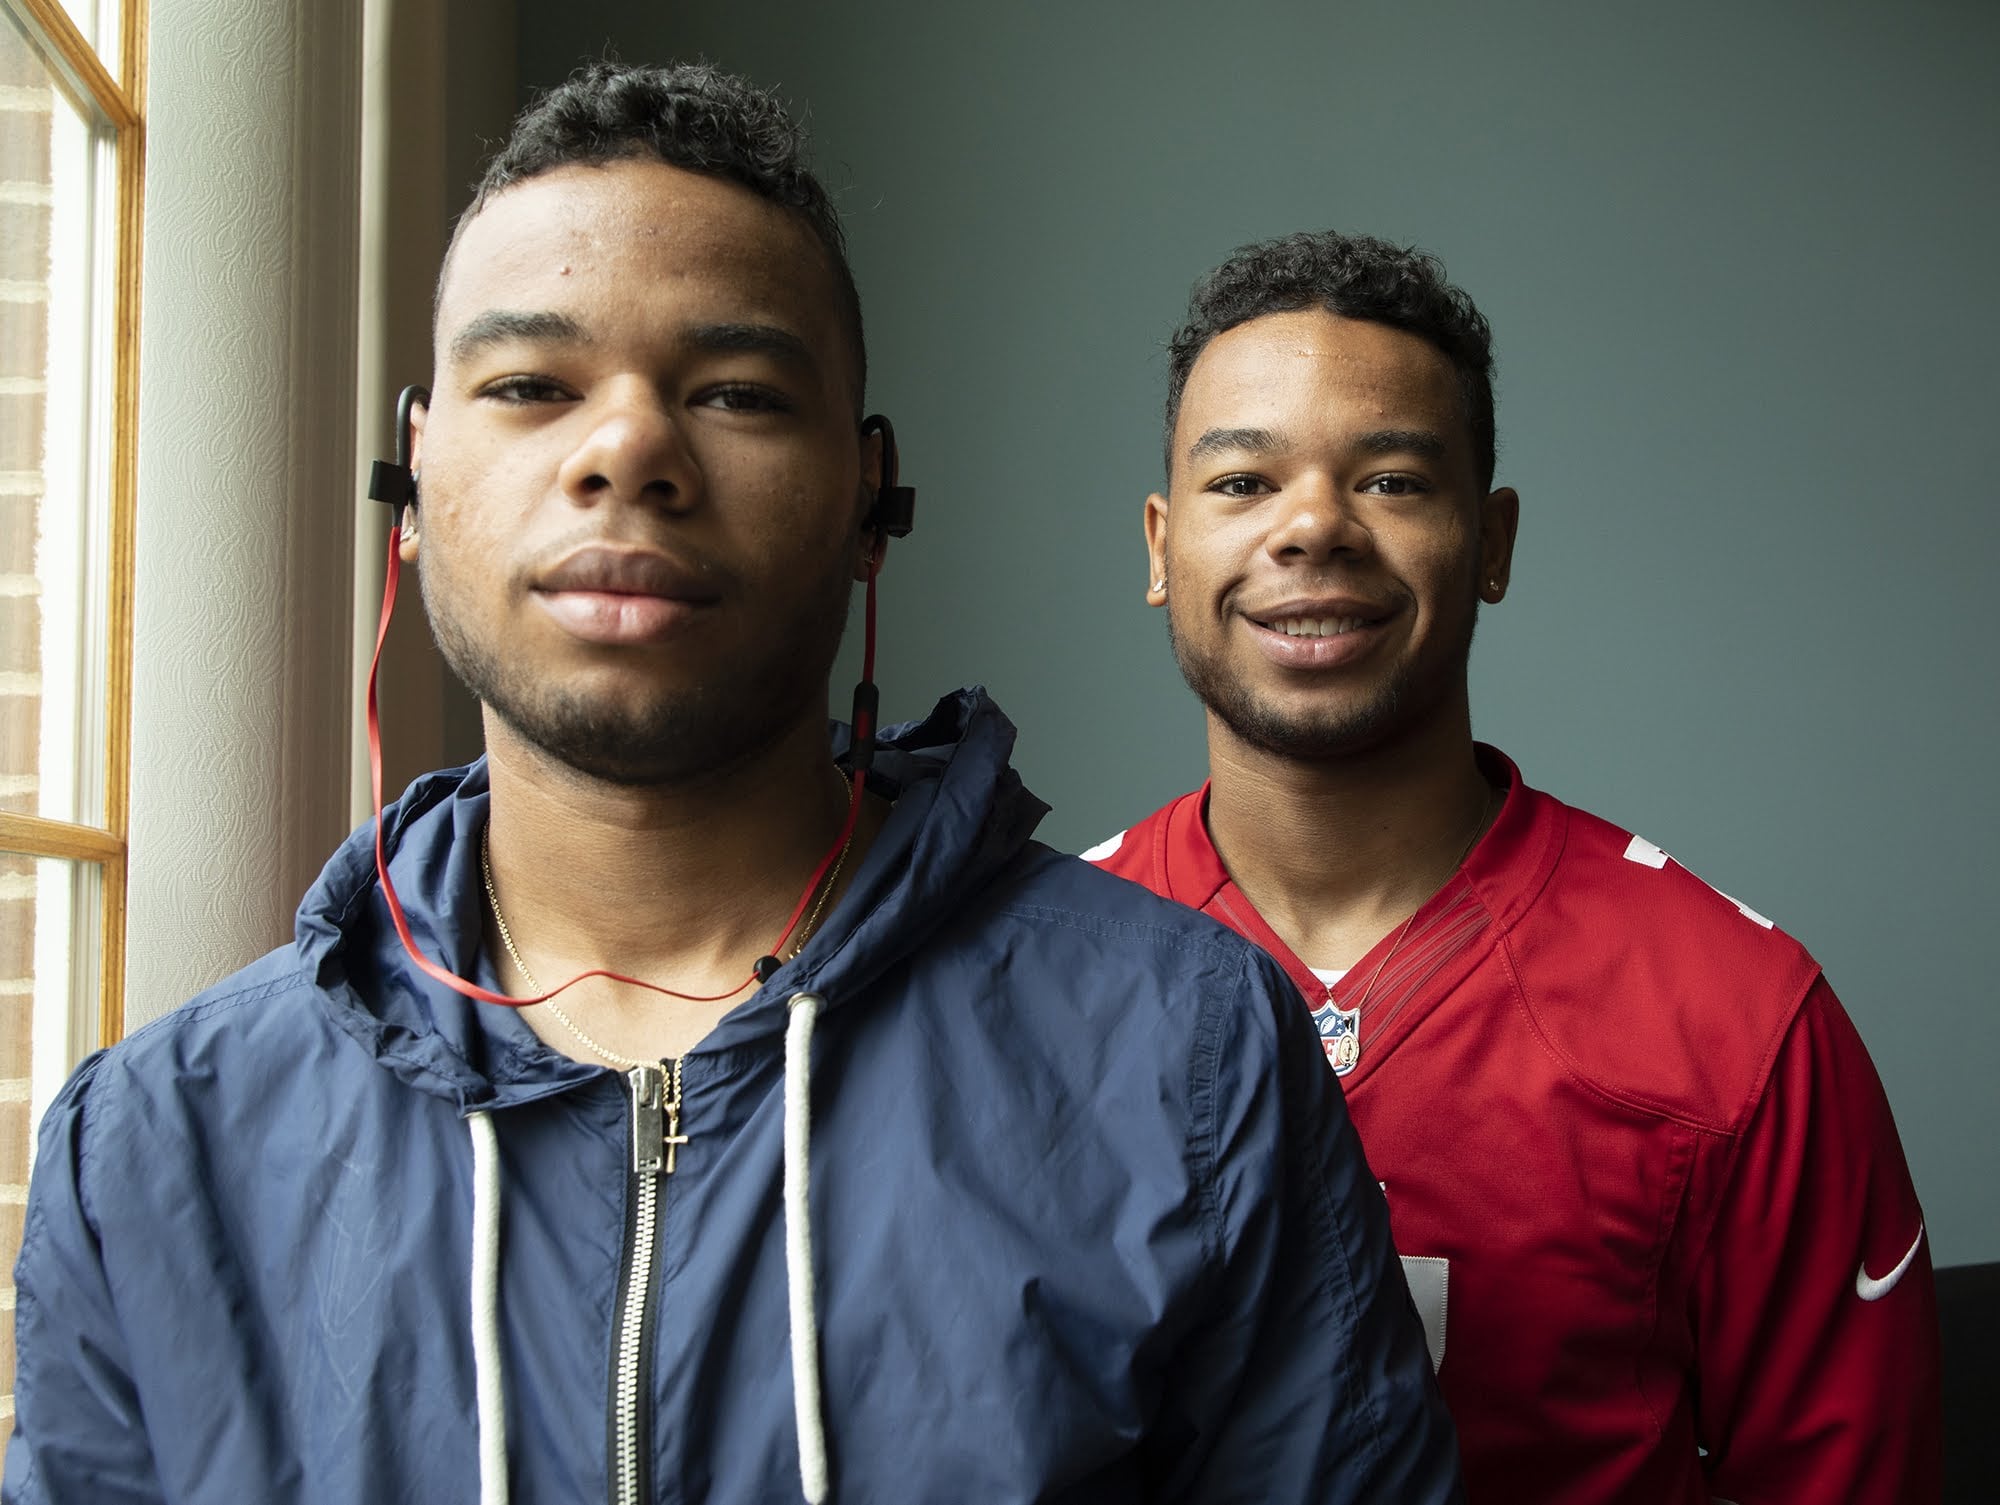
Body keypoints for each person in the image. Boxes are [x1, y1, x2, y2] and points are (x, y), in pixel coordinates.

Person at [3, 70, 1463, 1504]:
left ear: (866, 500)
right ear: (416, 470)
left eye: (738, 393)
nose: (628, 448)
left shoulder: (1189, 1052)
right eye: (528, 385)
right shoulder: (153, 1145)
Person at [1088, 230, 1941, 1504]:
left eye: (1388, 478)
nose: (1311, 524)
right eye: (1241, 483)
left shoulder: (1740, 1020)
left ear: (1490, 541)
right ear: (1161, 546)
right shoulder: (1019, 980)